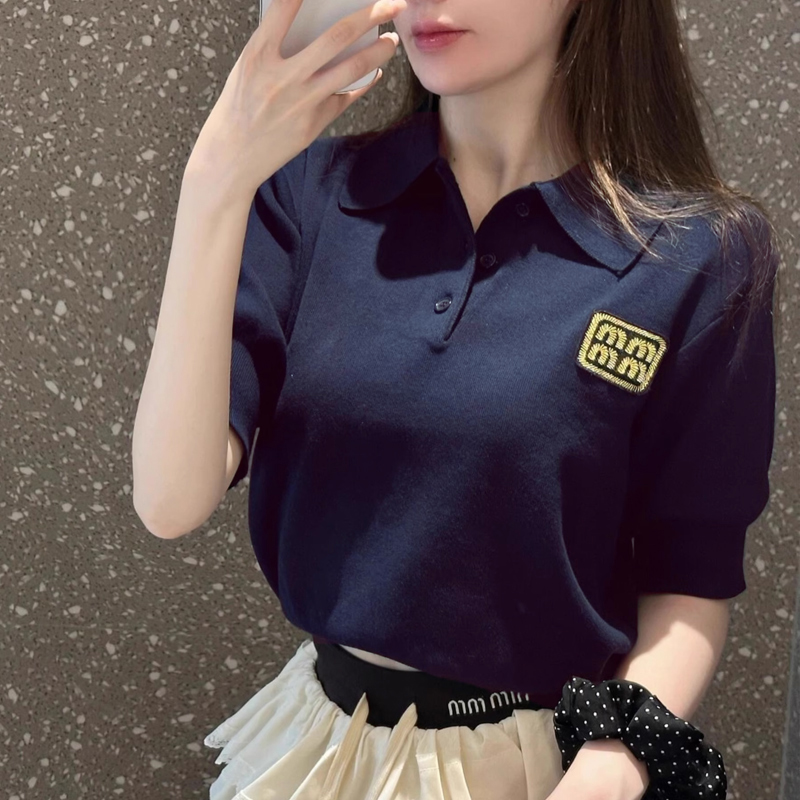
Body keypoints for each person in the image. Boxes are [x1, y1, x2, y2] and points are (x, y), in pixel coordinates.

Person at [131, 0, 783, 798]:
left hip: (537, 767)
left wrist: (614, 763)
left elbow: (689, 579)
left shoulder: (697, 256)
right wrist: (214, 182)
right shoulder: (312, 193)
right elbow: (169, 500)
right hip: (313, 747)